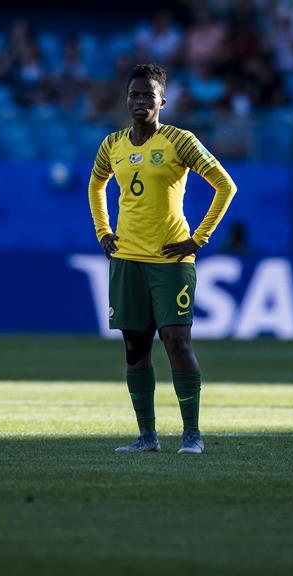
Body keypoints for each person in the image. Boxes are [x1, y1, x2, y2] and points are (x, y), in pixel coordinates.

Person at [88, 63, 237, 454]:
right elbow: (95, 185)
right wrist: (104, 232)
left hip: (171, 260)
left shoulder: (179, 141)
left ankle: (192, 433)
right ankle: (147, 437)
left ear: (162, 102)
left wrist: (198, 239)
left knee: (176, 343)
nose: (140, 101)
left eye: (148, 96)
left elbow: (226, 185)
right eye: (134, 95)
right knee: (135, 349)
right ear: (126, 100)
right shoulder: (112, 145)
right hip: (127, 261)